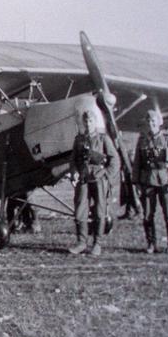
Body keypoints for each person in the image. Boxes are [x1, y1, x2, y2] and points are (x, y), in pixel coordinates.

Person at [132, 110, 168, 254]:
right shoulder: (142, 140)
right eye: (149, 122)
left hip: (166, 181)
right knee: (148, 213)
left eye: (154, 121)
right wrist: (136, 182)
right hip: (147, 181)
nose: (151, 124)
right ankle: (151, 243)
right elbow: (137, 163)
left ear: (159, 122)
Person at [68, 108, 119, 256]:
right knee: (80, 210)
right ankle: (81, 243)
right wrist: (74, 172)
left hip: (98, 179)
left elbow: (115, 160)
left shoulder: (103, 139)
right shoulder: (79, 140)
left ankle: (97, 244)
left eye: (90, 121)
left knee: (99, 210)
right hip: (83, 178)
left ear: (95, 122)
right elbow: (73, 160)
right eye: (86, 121)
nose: (88, 124)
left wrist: (107, 175)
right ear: (83, 123)